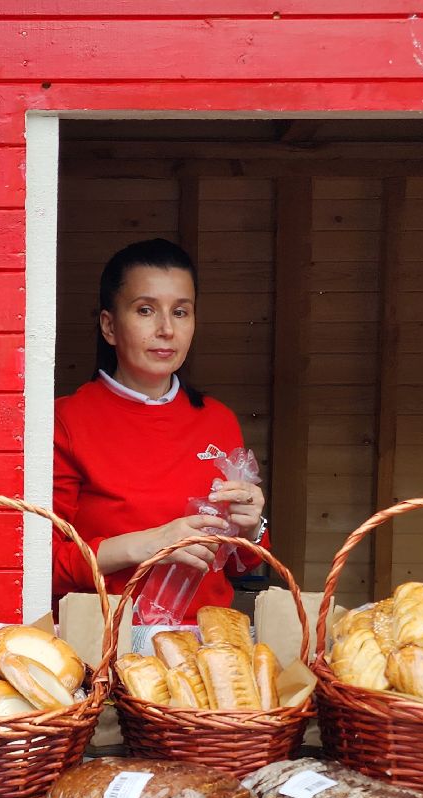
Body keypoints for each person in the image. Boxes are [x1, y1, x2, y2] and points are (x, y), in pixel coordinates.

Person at [53, 238, 269, 620]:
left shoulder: (218, 420)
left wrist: (251, 529)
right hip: (103, 644)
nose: (166, 329)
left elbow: (241, 565)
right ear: (109, 326)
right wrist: (152, 543)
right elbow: (46, 565)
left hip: (207, 644)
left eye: (181, 312)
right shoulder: (66, 421)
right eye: (146, 310)